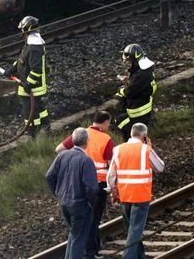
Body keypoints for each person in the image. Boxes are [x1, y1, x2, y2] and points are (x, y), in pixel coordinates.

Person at [56, 111, 115, 259]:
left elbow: (59, 149)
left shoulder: (81, 133)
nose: (109, 126)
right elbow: (111, 164)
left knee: (81, 225)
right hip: (97, 185)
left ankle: (89, 252)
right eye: (109, 123)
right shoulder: (106, 139)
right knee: (93, 220)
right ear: (105, 122)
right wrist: (113, 186)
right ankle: (90, 253)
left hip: (77, 183)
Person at [107, 123, 164, 259]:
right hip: (141, 196)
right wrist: (150, 147)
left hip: (124, 196)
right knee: (135, 231)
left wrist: (112, 191)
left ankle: (140, 256)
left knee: (132, 231)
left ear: (131, 134)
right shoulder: (146, 149)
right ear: (144, 136)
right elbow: (160, 167)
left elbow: (111, 175)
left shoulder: (118, 149)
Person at [46, 127, 100, 259]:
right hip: (80, 205)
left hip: (64, 203)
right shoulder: (86, 161)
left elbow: (49, 176)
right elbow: (92, 188)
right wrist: (90, 203)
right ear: (87, 141)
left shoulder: (62, 155)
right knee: (79, 239)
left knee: (74, 234)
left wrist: (58, 194)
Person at [7, 15, 49, 136]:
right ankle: (46, 128)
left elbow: (36, 70)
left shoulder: (34, 47)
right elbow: (22, 60)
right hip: (30, 85)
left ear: (26, 29)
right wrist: (12, 69)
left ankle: (33, 134)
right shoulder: (31, 43)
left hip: (32, 87)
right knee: (39, 108)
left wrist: (29, 84)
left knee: (30, 112)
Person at [114, 44, 157, 141]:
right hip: (144, 108)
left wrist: (121, 91)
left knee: (124, 126)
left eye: (129, 61)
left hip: (138, 111)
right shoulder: (146, 69)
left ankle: (134, 148)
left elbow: (129, 92)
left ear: (134, 60)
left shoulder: (141, 74)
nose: (128, 63)